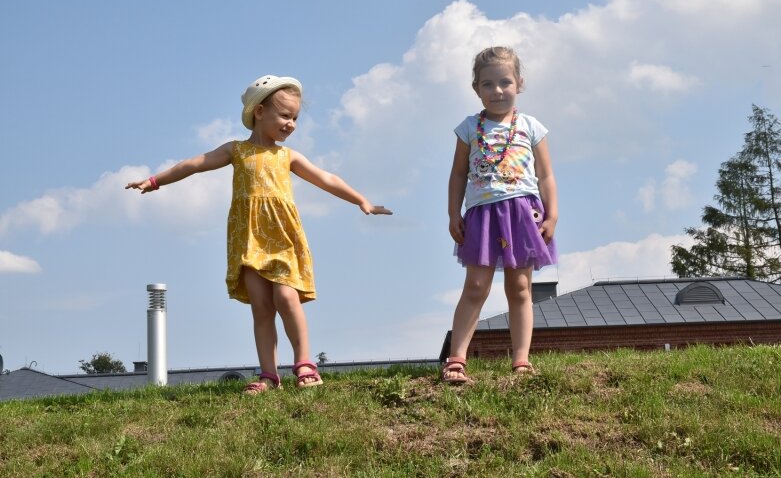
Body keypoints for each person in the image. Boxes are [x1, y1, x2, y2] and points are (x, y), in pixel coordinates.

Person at [126, 75, 392, 393]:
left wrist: (361, 200)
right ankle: (269, 374)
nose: (291, 124)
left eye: (295, 118)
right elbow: (195, 163)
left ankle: (305, 363)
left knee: (286, 296)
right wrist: (154, 181)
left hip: (282, 237)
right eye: (284, 116)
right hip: (248, 239)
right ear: (260, 111)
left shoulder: (288, 156)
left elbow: (326, 178)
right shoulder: (237, 151)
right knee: (261, 307)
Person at [443, 47, 557, 384]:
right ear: (476, 88)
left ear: (519, 83)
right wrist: (453, 213)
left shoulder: (531, 126)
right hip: (481, 214)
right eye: (488, 84)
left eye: (505, 82)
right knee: (476, 285)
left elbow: (547, 174)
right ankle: (456, 360)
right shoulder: (468, 128)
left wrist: (552, 217)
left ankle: (521, 360)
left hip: (523, 213)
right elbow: (458, 174)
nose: (497, 91)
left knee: (520, 286)